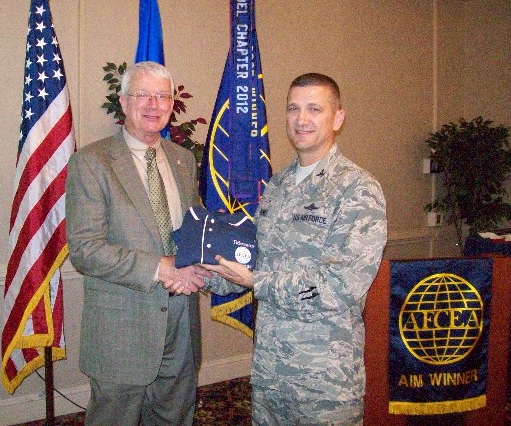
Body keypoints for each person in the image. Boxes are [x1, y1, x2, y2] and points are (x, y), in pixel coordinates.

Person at [198, 73, 387, 425]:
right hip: (271, 374)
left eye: (314, 108)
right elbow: (257, 260)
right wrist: (207, 272)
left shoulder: (357, 189)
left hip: (324, 382)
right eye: (293, 108)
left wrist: (258, 282)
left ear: (338, 118)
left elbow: (340, 285)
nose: (302, 119)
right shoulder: (278, 185)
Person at [66, 61, 211, 426]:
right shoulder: (92, 162)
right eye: (142, 94)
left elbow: (195, 229)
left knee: (174, 415)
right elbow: (85, 249)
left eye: (162, 96)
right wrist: (160, 267)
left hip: (181, 318)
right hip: (122, 324)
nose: (153, 104)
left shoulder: (182, 160)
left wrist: (203, 259)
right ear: (124, 101)